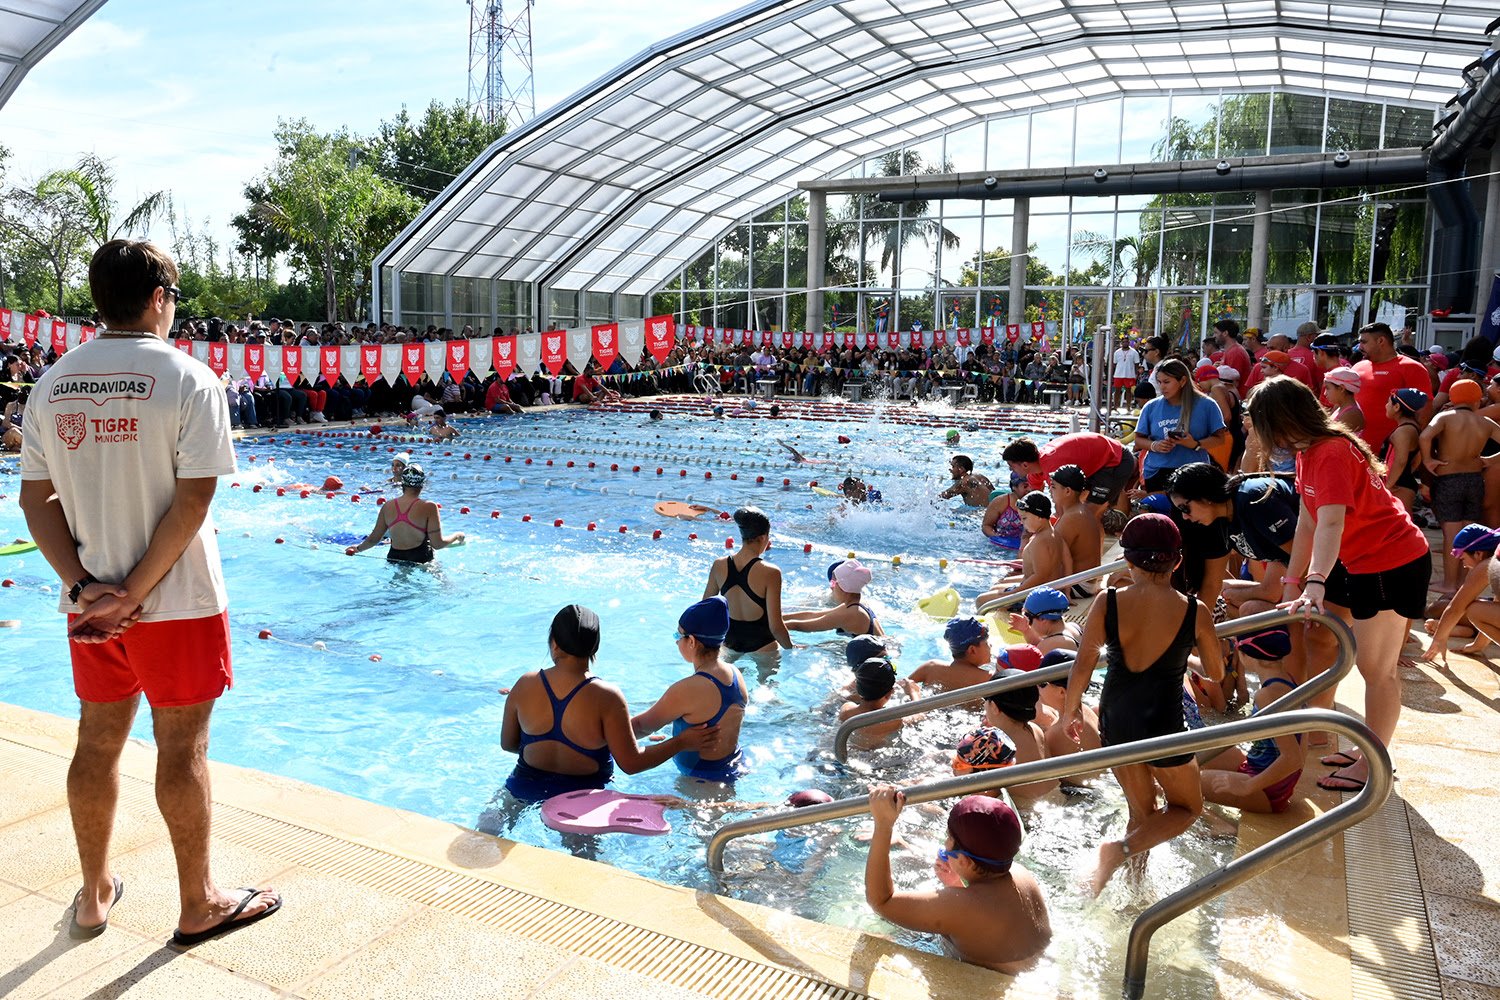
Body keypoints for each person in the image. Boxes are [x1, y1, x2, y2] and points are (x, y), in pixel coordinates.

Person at [19, 240, 282, 944]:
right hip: (180, 605)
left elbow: (34, 500)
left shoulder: (53, 382)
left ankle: (93, 894)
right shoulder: (189, 379)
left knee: (97, 744)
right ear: (160, 297)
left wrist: (83, 586)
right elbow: (192, 503)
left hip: (90, 608)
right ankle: (198, 902)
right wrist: (135, 592)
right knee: (182, 751)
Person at [1248, 376, 1431, 792]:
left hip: (1393, 561)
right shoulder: (1307, 451)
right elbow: (1309, 521)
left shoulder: (1330, 452)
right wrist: (1293, 583)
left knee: (1376, 670)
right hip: (1367, 562)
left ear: (1280, 420)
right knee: (1364, 663)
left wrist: (1316, 581)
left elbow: (1332, 520)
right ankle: (1369, 746)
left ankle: (1375, 763)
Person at [1062, 513, 1224, 894]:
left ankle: (1134, 885)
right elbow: (1215, 672)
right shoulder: (1193, 610)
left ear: (1128, 561)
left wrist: (1070, 710)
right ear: (1178, 561)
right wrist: (1193, 650)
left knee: (1143, 812)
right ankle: (1119, 853)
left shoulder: (1108, 601)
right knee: (1187, 809)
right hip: (1163, 722)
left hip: (1116, 716)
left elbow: (1084, 662)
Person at [501, 605, 721, 801]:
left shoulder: (524, 684)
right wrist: (680, 742)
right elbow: (631, 763)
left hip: (523, 784)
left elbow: (508, 743)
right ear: (594, 648)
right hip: (585, 797)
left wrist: (544, 747)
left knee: (489, 829)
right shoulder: (607, 696)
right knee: (582, 847)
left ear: (555, 644)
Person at [864, 788, 1051, 974]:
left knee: (876, 940)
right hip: (1032, 973)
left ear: (963, 861)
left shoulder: (958, 906)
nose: (945, 843)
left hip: (987, 986)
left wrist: (883, 825)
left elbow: (881, 901)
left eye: (949, 838)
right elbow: (986, 911)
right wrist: (958, 884)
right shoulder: (1021, 874)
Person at [632, 597, 747, 783]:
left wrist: (600, 733)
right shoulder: (735, 674)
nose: (676, 642)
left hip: (699, 780)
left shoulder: (687, 690)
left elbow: (640, 727)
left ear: (692, 641)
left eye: (678, 636)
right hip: (733, 765)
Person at [1201, 628, 1305, 814]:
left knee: (1185, 785)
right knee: (1191, 757)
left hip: (1266, 790)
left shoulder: (1267, 696)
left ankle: (1220, 826)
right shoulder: (1287, 682)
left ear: (1246, 656)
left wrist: (1247, 786)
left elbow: (1293, 759)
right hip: (1265, 774)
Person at [1419, 378, 1500, 593]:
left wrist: (1428, 460)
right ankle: (1464, 582)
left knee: (1451, 533)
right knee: (1469, 531)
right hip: (1474, 480)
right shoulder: (1485, 422)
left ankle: (1449, 583)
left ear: (1453, 398)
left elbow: (1425, 436)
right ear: (1476, 401)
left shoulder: (1445, 417)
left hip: (1449, 480)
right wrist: (1492, 459)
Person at [703, 507, 794, 665]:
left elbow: (705, 609)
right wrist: (791, 649)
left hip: (728, 643)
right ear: (763, 537)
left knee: (731, 685)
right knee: (766, 687)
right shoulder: (771, 572)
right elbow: (776, 627)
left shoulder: (719, 565)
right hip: (763, 646)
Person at [1135, 359, 1228, 488]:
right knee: (1158, 507)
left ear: (1183, 381)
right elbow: (1138, 440)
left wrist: (1195, 444)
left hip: (1194, 471)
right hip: (1157, 471)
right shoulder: (1151, 406)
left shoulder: (1207, 405)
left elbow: (1219, 438)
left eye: (1167, 382)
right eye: (1159, 382)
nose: (1162, 387)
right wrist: (1155, 445)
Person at [1001, 432, 1137, 519]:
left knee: (1090, 514)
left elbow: (1061, 508)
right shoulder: (1035, 472)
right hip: (1097, 463)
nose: (1010, 470)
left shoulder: (1052, 466)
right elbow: (1037, 503)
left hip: (1116, 460)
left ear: (1025, 465)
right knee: (1079, 512)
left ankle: (1091, 558)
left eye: (1011, 466)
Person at [348, 465, 464, 563]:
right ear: (422, 485)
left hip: (395, 558)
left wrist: (358, 549)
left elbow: (373, 539)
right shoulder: (430, 507)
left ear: (402, 484)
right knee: (444, 585)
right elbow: (437, 544)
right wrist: (456, 536)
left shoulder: (387, 506)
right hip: (421, 559)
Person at [1423, 524, 1500, 662]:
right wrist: (1477, 646)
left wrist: (1438, 640)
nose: (1464, 565)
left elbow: (1455, 608)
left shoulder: (1487, 564)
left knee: (1474, 610)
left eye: (1463, 558)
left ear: (1478, 553)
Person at [1351, 321, 1431, 452]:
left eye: (1364, 342)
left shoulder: (1411, 367)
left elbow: (1424, 411)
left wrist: (1413, 451)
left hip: (1392, 452)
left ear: (1381, 341)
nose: (1359, 347)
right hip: (1356, 449)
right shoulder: (1358, 366)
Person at [977, 492, 1065, 608]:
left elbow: (1040, 576)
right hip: (1045, 589)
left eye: (1024, 518)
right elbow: (1067, 561)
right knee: (995, 587)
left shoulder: (1040, 542)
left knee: (981, 600)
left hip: (1038, 597)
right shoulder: (1054, 534)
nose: (1022, 523)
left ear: (1038, 517)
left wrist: (1015, 592)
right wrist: (1066, 590)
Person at [982, 667, 1056, 799]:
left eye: (985, 701)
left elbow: (985, 793)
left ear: (994, 707)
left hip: (1024, 810)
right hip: (1056, 797)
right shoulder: (1035, 729)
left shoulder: (994, 745)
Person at [784, 559, 883, 636]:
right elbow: (813, 615)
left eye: (832, 583)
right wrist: (779, 616)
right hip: (875, 652)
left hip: (876, 660)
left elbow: (799, 625)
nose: (831, 587)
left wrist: (772, 623)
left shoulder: (851, 613)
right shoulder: (856, 604)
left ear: (843, 586)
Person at [838, 658, 920, 745]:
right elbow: (919, 714)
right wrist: (914, 692)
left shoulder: (846, 709)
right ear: (890, 693)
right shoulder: (893, 721)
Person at [1048, 464, 1103, 588]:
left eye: (1053, 487)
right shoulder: (1081, 510)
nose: (1050, 491)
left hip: (1080, 585)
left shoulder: (1072, 517)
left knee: (1002, 590)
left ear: (1067, 491)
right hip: (1087, 581)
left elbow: (1051, 556)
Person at [909, 617, 994, 692]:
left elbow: (900, 686)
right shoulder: (990, 679)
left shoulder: (930, 667)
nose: (991, 645)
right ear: (972, 650)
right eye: (986, 642)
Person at [1382, 388, 1427, 513]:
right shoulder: (1412, 428)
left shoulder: (1404, 431)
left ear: (1396, 407)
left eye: (1388, 403)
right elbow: (1417, 459)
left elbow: (1401, 460)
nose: (1386, 406)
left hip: (1399, 486)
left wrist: (1389, 485)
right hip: (1402, 483)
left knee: (1401, 527)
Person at [1007, 587, 1080, 656]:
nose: (1027, 622)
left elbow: (1033, 665)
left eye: (1027, 617)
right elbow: (1040, 644)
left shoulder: (1049, 645)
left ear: (1043, 619)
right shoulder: (1074, 627)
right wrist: (1026, 630)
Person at [1322, 367, 1364, 434]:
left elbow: (1330, 438)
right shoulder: (1340, 406)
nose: (1325, 393)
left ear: (1341, 389)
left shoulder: (1351, 414)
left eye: (1328, 388)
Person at [1112, 339, 1143, 409]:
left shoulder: (1134, 352)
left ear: (1129, 343)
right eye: (1123, 342)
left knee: (1128, 391)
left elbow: (1136, 363)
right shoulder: (1117, 352)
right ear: (1121, 343)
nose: (1125, 343)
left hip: (1129, 375)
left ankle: (1128, 407)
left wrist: (1136, 373)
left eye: (1126, 342)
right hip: (1118, 374)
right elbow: (1114, 363)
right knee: (1117, 391)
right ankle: (1115, 406)